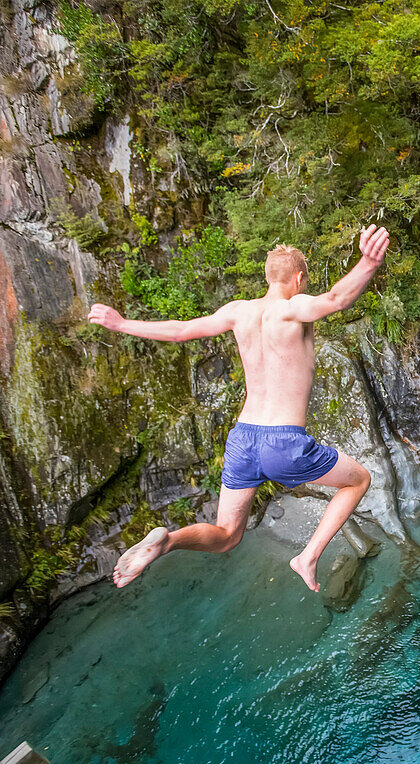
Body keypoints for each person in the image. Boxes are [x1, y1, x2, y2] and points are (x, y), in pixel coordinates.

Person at [86, 225, 390, 592]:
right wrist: (368, 263)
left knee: (228, 535)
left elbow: (181, 330)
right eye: (305, 281)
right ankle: (308, 556)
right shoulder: (293, 308)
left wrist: (121, 324)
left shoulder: (238, 312)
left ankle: (169, 540)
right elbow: (338, 298)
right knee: (358, 479)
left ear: (267, 277)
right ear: (299, 278)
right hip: (284, 441)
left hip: (243, 439)